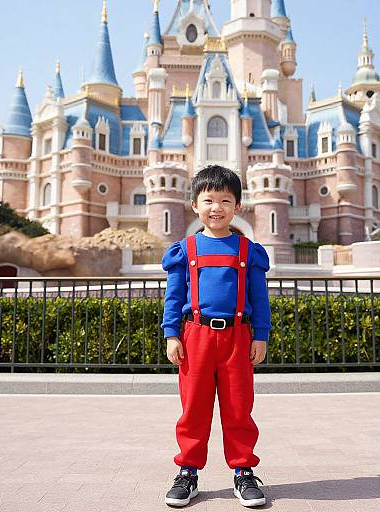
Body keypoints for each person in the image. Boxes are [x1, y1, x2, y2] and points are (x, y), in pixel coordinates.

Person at [161, 165, 271, 508]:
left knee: (239, 409)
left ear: (237, 206)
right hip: (195, 336)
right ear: (195, 204)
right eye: (208, 200)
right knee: (193, 409)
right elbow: (174, 297)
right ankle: (188, 473)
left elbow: (260, 298)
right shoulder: (185, 250)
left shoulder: (248, 250)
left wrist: (261, 335)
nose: (216, 207)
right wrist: (171, 334)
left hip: (238, 337)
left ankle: (243, 474)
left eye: (226, 200)